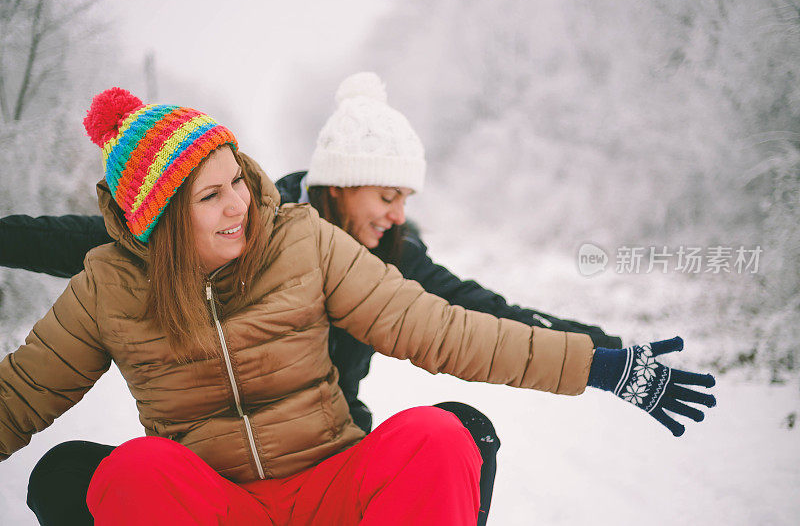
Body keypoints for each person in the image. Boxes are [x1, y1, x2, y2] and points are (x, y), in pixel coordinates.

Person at [0, 86, 715, 525]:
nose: (239, 205)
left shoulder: (301, 241)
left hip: (327, 479)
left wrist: (600, 361)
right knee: (127, 470)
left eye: (238, 180)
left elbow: (450, 322)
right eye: (211, 195)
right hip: (215, 500)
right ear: (158, 221)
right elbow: (22, 391)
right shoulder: (112, 281)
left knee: (440, 437)